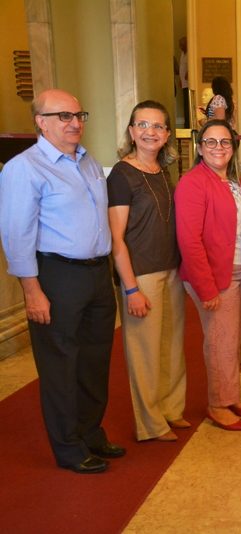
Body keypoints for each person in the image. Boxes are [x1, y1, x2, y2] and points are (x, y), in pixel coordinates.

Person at [0, 89, 124, 473]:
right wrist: (31, 290)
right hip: (57, 276)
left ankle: (91, 432)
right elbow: (16, 234)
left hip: (97, 274)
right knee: (61, 365)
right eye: (64, 116)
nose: (75, 123)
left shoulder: (88, 162)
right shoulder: (24, 168)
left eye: (79, 115)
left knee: (94, 360)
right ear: (41, 121)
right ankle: (69, 447)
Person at [107, 100, 188, 442]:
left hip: (170, 269)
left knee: (171, 347)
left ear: (167, 134)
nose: (149, 132)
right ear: (131, 131)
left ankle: (171, 409)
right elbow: (116, 238)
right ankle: (151, 423)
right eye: (142, 125)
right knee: (145, 352)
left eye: (157, 126)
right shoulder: (121, 174)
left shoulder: (163, 170)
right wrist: (130, 288)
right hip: (141, 275)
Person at [175, 119, 241, 431]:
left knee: (232, 339)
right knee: (220, 342)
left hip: (240, 271)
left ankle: (230, 396)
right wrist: (206, 287)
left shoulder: (233, 181)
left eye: (225, 142)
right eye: (210, 142)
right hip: (215, 275)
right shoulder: (193, 183)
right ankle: (217, 404)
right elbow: (189, 240)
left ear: (233, 147)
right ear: (199, 148)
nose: (218, 147)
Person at [178, 37, 189, 128]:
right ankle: (186, 123)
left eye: (182, 44)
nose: (180, 47)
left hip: (189, 83)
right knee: (185, 104)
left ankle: (188, 123)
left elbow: (190, 65)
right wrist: (180, 79)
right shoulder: (182, 53)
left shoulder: (190, 52)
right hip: (184, 83)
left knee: (188, 104)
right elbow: (181, 66)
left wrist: (188, 73)